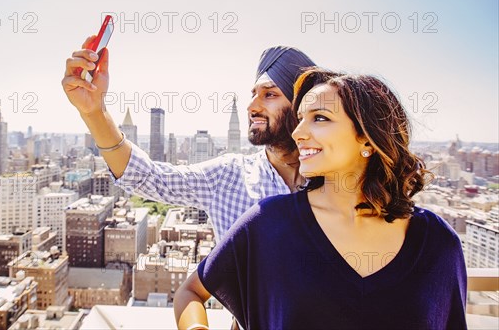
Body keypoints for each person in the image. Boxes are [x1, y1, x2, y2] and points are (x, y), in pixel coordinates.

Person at [174, 68, 467, 329]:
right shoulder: (269, 223)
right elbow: (191, 292)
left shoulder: (439, 244)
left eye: (320, 118)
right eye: (300, 119)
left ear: (367, 137)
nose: (298, 132)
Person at [62, 36, 316, 240]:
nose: (252, 106)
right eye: (253, 94)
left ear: (301, 105)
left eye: (269, 95)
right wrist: (94, 111)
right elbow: (146, 177)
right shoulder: (228, 176)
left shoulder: (338, 175)